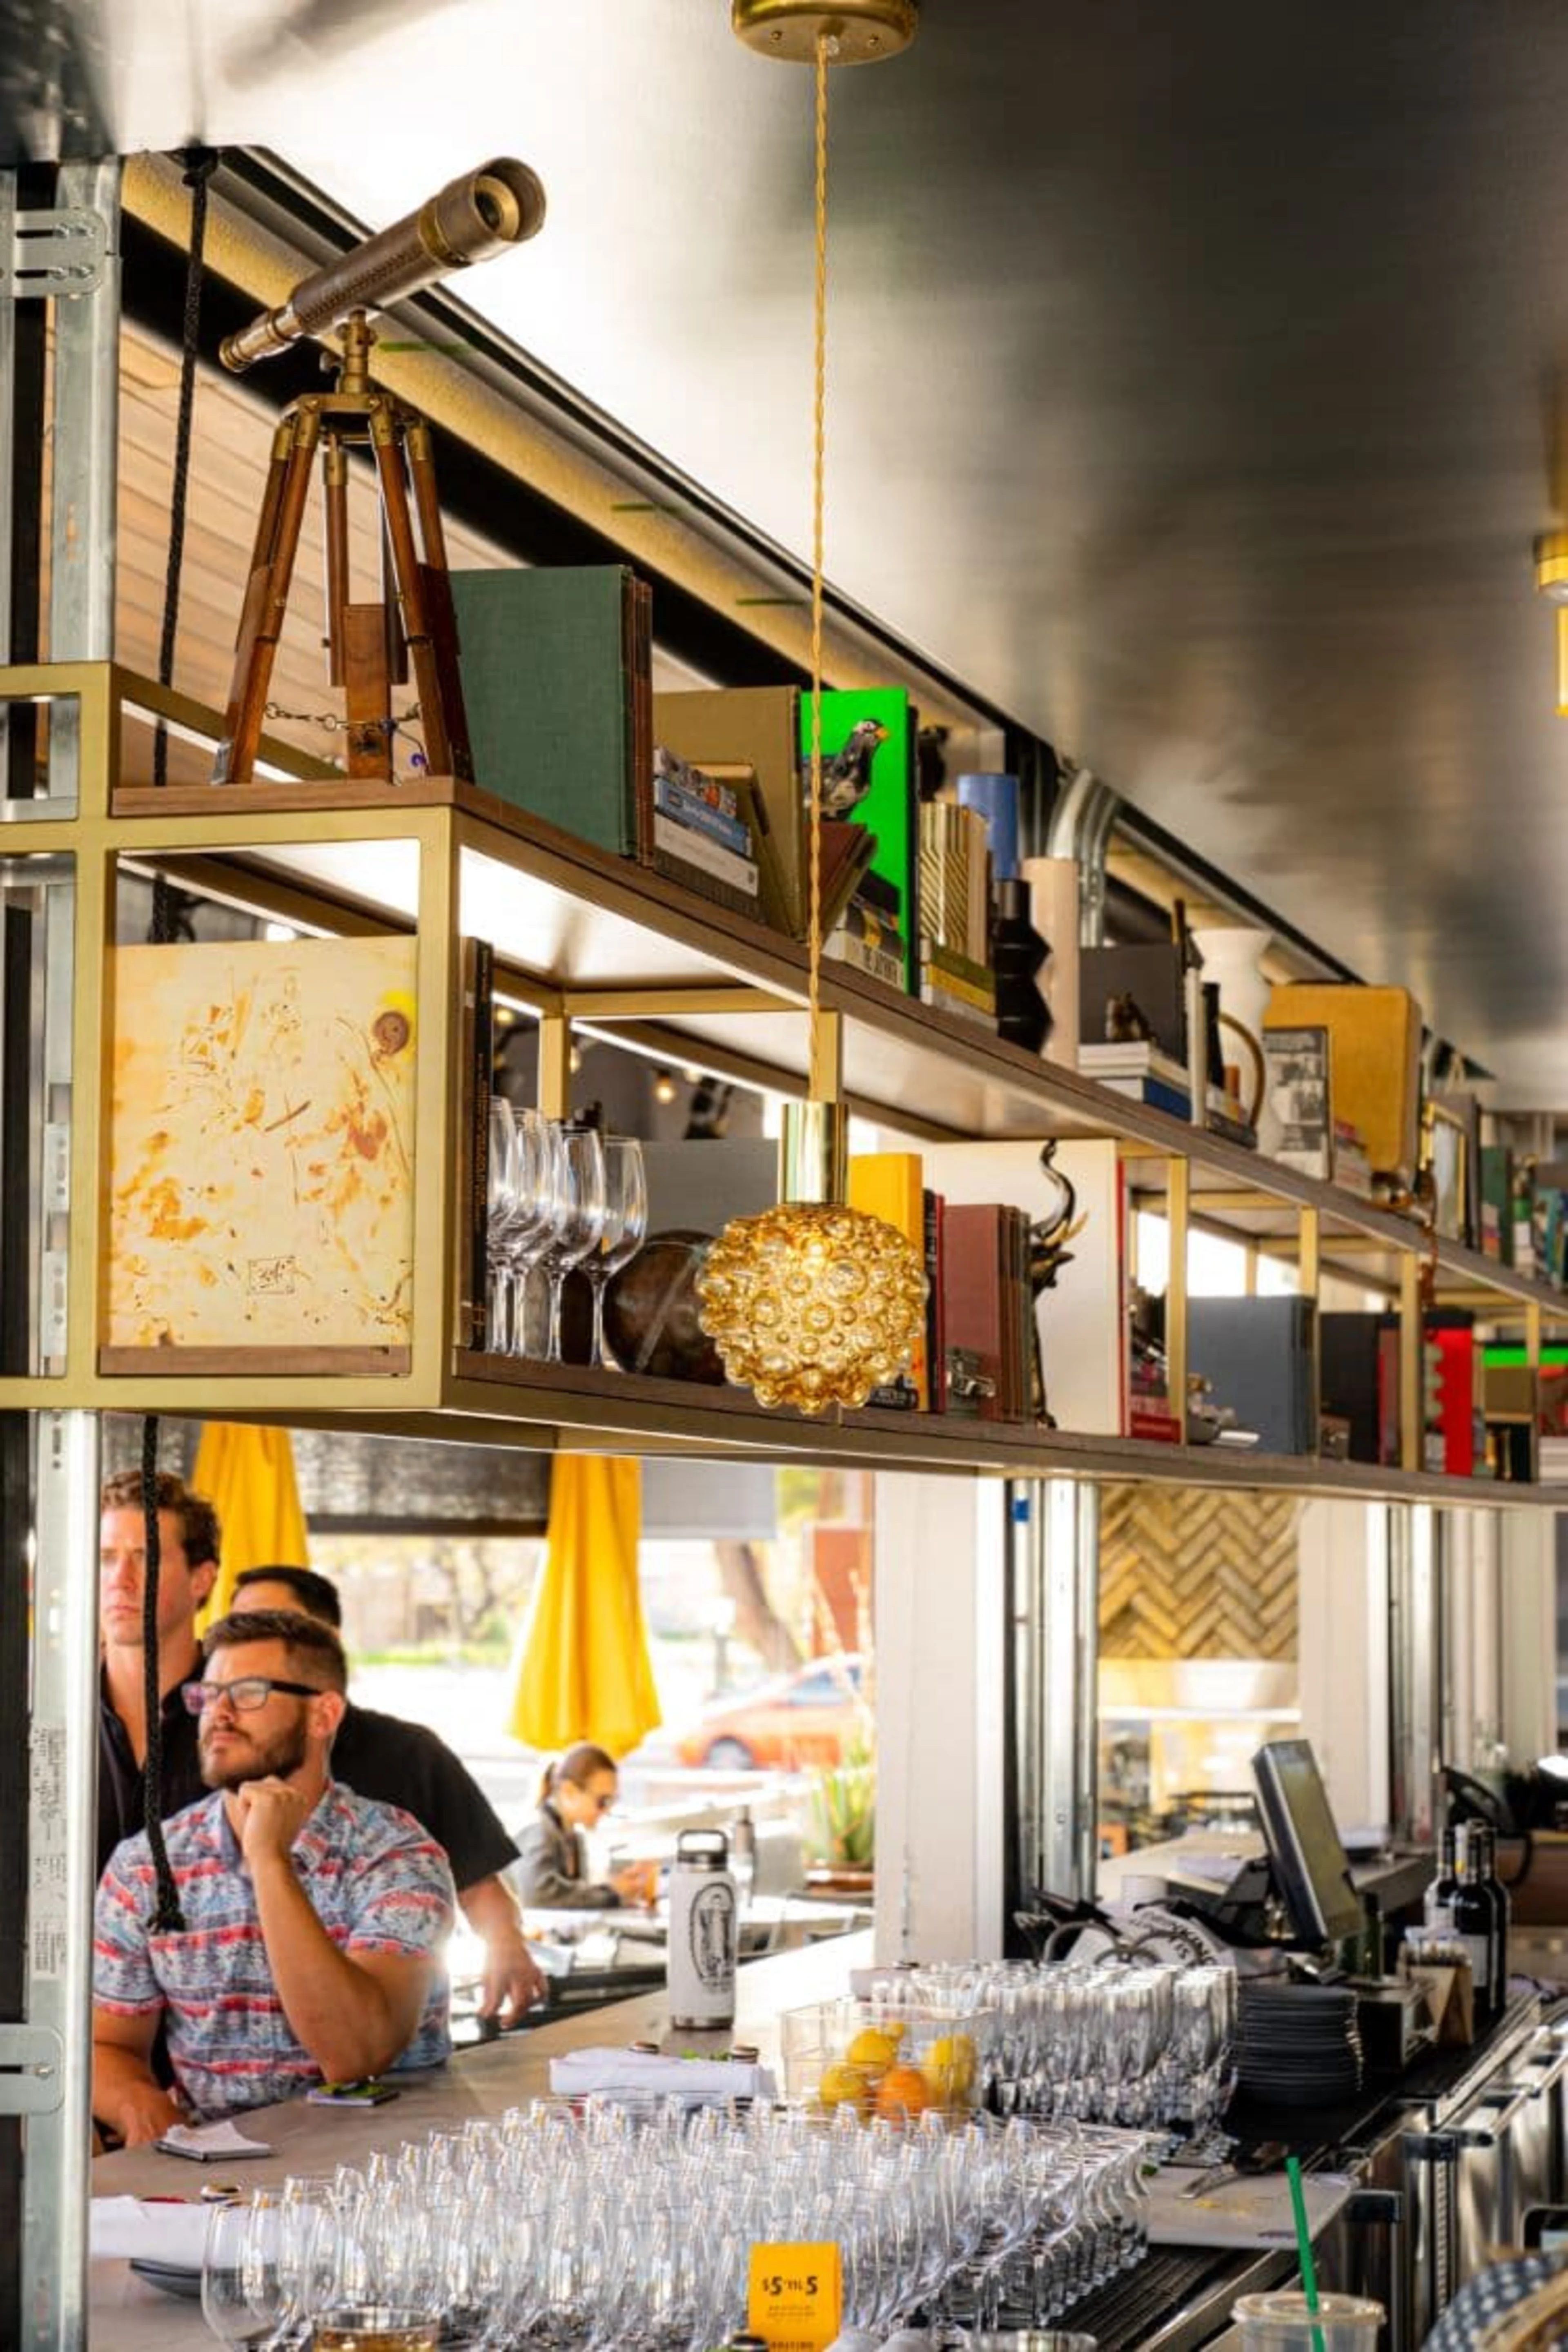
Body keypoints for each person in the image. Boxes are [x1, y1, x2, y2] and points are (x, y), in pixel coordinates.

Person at [97, 1473, 546, 2024]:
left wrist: (505, 1942)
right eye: (104, 1556)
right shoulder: (48, 1726)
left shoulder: (372, 1757)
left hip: (291, 2050)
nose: (120, 1579)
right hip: (98, 2044)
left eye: (144, 1556)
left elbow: (472, 1869)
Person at [92, 1608, 454, 2145]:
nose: (219, 1712)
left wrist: (269, 1861)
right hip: (210, 2187)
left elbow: (356, 2055)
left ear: (324, 1715)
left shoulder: (397, 1855)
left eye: (248, 1693)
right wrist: (134, 2100)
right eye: (208, 1695)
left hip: (379, 2179)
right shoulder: (147, 1864)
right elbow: (109, 2045)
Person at [515, 1742, 656, 1908]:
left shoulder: (573, 1837)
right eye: (603, 1801)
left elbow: (572, 1895)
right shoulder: (537, 1829)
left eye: (612, 1801)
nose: (607, 1811)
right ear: (570, 1792)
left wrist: (618, 1889)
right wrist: (612, 1893)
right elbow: (539, 1896)